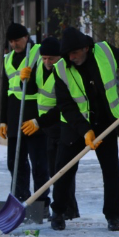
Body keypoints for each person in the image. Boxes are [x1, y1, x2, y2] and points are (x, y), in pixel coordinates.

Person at [21, 26, 119, 232]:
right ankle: (59, 211)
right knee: (63, 170)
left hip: (106, 123)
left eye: (74, 53)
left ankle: (113, 216)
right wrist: (85, 131)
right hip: (74, 126)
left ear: (85, 48)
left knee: (111, 172)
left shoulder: (105, 52)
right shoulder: (61, 68)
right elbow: (66, 106)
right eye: (67, 54)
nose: (71, 58)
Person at [16, 35, 79, 221]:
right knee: (54, 170)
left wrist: (40, 122)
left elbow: (64, 103)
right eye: (44, 58)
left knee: (64, 168)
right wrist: (23, 80)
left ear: (59, 57)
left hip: (63, 124)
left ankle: (69, 209)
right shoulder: (39, 69)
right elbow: (32, 90)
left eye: (51, 58)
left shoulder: (66, 72)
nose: (47, 62)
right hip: (47, 127)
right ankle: (66, 208)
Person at [0, 23, 50, 209]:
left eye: (17, 40)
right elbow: (4, 91)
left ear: (26, 37)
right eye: (11, 41)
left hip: (34, 116)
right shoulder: (7, 59)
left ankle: (41, 203)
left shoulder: (38, 53)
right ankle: (22, 199)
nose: (14, 44)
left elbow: (47, 80)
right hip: (14, 117)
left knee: (39, 165)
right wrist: (2, 120)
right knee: (14, 163)